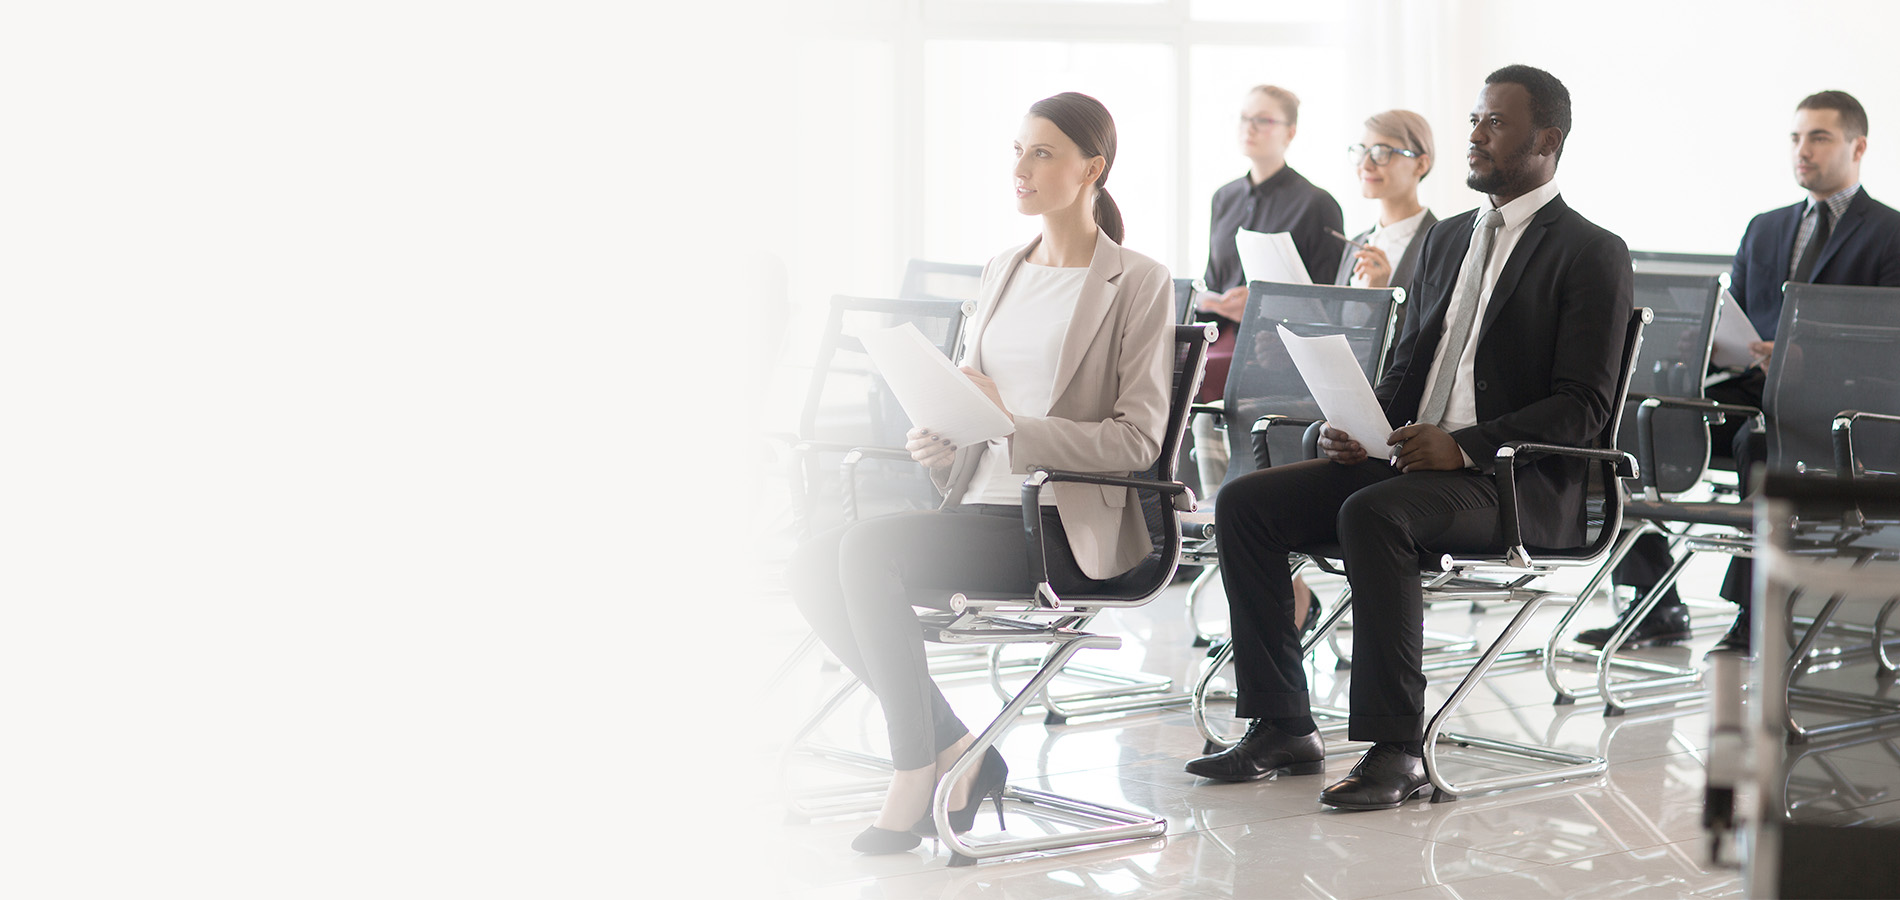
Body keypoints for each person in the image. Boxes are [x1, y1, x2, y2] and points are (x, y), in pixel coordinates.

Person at [1184, 65, 1633, 810]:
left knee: (1373, 513)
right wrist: (1358, 425)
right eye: (1475, 120)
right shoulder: (1450, 237)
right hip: (1411, 464)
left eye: (1496, 123)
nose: (1476, 136)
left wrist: (1466, 447)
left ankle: (1399, 749)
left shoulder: (1591, 251)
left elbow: (1584, 406)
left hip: (1509, 483)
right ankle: (1283, 723)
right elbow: (1407, 364)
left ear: (1547, 141)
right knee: (1246, 504)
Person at [789, 92, 1174, 854]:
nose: (1021, 169)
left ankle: (914, 768)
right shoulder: (1002, 269)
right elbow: (976, 402)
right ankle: (960, 750)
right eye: (1017, 151)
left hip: (1061, 525)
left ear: (1092, 168)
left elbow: (1139, 441)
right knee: (814, 559)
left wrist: (1011, 428)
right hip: (978, 505)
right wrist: (947, 438)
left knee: (866, 553)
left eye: (1042, 153)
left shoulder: (1136, 280)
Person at [1577, 90, 1900, 655]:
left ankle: (1755, 614)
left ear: (1858, 145)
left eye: (1819, 138)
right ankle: (1654, 600)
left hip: (1842, 406)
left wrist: (1810, 357)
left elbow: (1888, 344)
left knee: (1759, 443)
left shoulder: (1890, 233)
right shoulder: (1767, 227)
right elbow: (1744, 319)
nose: (1803, 150)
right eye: (1796, 138)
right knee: (1626, 425)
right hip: (1756, 389)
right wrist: (1706, 345)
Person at [1190, 85, 1344, 630]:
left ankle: (1267, 567)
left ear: (1290, 132)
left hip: (1278, 348)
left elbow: (1326, 297)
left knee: (1203, 383)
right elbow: (1214, 278)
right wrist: (1217, 300)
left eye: (1265, 120)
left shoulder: (1316, 203)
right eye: (1245, 118)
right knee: (1185, 376)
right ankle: (1219, 528)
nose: (1251, 128)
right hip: (1227, 333)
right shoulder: (1224, 196)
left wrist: (1256, 302)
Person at [1334, 109, 1438, 307]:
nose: (1365, 165)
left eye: (1381, 153)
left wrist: (1379, 301)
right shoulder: (1356, 244)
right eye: (1362, 151)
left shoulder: (1443, 245)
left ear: (1421, 165)